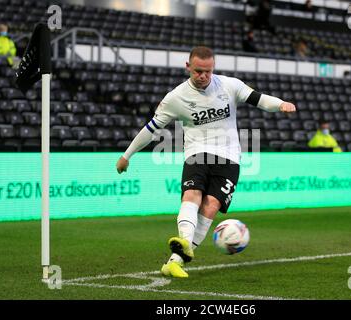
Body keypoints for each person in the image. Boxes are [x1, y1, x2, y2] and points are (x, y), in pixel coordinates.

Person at [116, 46, 296, 278]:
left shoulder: (230, 85)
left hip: (230, 156)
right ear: (188, 67)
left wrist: (280, 103)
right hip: (198, 152)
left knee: (211, 206)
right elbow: (151, 129)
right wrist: (126, 155)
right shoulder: (176, 97)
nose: (203, 76)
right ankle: (184, 242)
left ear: (213, 68)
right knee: (192, 196)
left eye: (208, 71)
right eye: (198, 71)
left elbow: (259, 99)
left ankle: (175, 260)